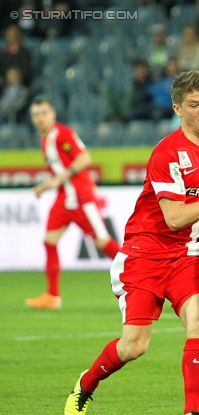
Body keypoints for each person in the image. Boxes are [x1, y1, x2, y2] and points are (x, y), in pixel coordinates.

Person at [63, 70, 199, 415]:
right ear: (177, 108)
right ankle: (87, 383)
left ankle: (192, 414)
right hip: (145, 252)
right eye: (194, 105)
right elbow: (174, 217)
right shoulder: (166, 152)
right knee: (134, 346)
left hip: (188, 253)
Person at [26, 97, 120, 310]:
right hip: (63, 198)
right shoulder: (45, 139)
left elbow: (85, 158)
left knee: (103, 242)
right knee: (49, 241)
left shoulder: (63, 134)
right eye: (35, 115)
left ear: (52, 114)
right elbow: (61, 172)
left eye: (43, 113)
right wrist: (46, 185)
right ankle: (53, 296)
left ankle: (145, 277)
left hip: (80, 197)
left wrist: (60, 178)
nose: (39, 118)